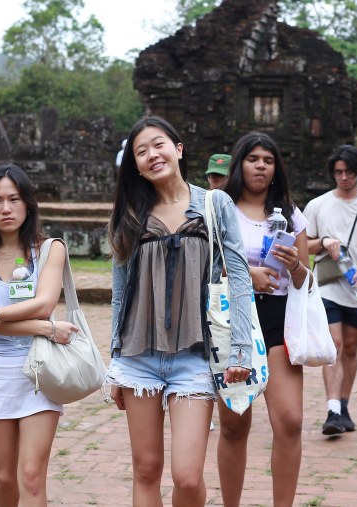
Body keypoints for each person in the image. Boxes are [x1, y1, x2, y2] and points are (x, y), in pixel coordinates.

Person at [106, 115, 254, 507]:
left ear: (178, 149)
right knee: (146, 469)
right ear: (135, 164)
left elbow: (238, 276)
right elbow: (120, 294)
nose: (152, 155)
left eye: (158, 145)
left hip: (195, 356)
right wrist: (115, 361)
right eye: (141, 151)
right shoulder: (130, 212)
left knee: (187, 478)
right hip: (139, 357)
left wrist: (240, 349)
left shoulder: (214, 203)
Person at [0, 163, 80, 506]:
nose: (6, 208)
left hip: (40, 370)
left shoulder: (51, 249)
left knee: (31, 475)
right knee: (5, 477)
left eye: (14, 199)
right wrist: (45, 328)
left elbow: (42, 303)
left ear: (28, 203)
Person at [216, 132, 310, 507]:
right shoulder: (219, 207)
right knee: (235, 424)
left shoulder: (290, 213)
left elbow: (304, 279)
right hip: (232, 319)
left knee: (289, 420)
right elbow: (205, 264)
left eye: (268, 161)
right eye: (253, 158)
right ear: (240, 163)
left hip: (277, 320)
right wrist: (247, 273)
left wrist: (295, 264)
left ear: (276, 169)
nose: (260, 166)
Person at [303, 145, 357, 436]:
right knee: (334, 346)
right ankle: (332, 410)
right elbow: (303, 244)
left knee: (350, 348)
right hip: (326, 287)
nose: (343, 178)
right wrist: (324, 241)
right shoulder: (317, 206)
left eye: (348, 172)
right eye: (338, 172)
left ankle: (344, 404)